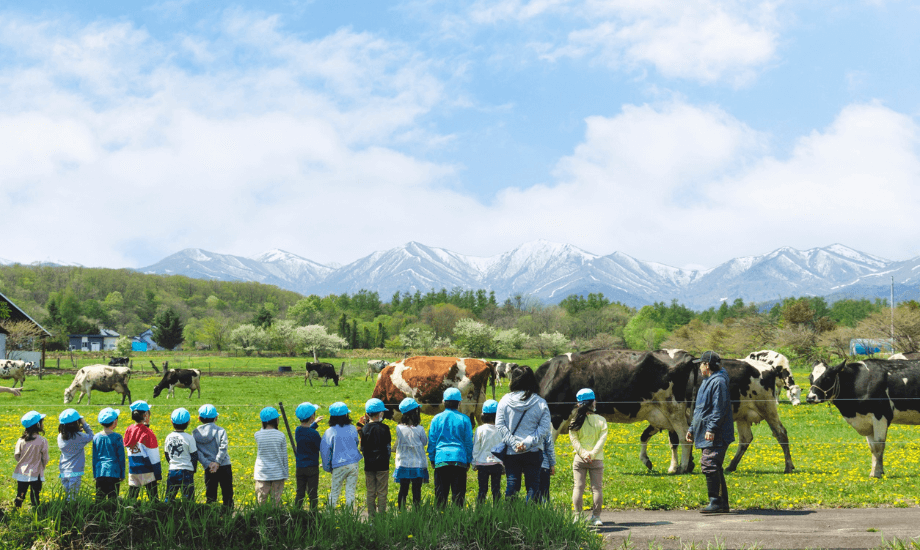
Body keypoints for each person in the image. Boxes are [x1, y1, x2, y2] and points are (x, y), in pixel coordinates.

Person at [686, 351, 734, 514]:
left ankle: (716, 501)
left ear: (707, 364)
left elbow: (719, 408)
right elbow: (700, 409)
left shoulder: (718, 382)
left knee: (710, 464)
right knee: (714, 466)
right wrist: (692, 428)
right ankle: (721, 503)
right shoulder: (708, 381)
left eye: (701, 363)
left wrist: (712, 428)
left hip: (717, 432)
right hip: (706, 430)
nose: (699, 367)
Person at [495, 366, 551, 501]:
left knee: (512, 485)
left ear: (514, 380)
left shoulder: (504, 401)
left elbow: (500, 425)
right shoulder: (540, 402)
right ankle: (529, 518)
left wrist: (514, 443)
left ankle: (510, 516)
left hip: (511, 452)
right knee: (533, 486)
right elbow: (544, 428)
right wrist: (526, 443)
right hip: (533, 451)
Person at [427, 387, 473, 507]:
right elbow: (468, 442)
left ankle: (441, 520)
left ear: (443, 402)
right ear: (459, 403)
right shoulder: (465, 419)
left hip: (441, 459)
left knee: (440, 495)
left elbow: (432, 441)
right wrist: (468, 460)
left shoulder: (436, 419)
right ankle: (457, 522)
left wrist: (432, 459)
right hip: (459, 459)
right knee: (458, 496)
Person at [569, 388, 608, 526]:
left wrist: (583, 453)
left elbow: (574, 440)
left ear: (579, 403)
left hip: (580, 459)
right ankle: (596, 517)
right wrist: (592, 454)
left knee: (578, 487)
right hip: (596, 459)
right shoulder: (601, 420)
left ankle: (577, 516)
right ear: (593, 402)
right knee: (596, 488)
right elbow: (601, 441)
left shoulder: (575, 421)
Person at [320, 402, 362, 509]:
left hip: (338, 464)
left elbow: (325, 451)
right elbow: (356, 442)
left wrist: (327, 467)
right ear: (346, 415)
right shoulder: (352, 428)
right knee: (350, 491)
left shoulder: (330, 432)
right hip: (353, 463)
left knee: (334, 491)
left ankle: (330, 515)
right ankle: (350, 516)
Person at [193, 404, 233, 508]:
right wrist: (217, 462)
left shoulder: (195, 433)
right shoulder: (221, 431)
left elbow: (196, 451)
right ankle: (228, 515)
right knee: (227, 493)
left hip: (209, 467)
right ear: (216, 418)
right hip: (224, 465)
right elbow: (223, 447)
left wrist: (208, 463)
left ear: (199, 418)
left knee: (210, 493)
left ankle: (211, 516)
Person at [392, 397, 428, 509]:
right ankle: (417, 511)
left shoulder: (399, 428)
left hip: (403, 463)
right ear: (415, 413)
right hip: (417, 464)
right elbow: (425, 442)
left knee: (403, 489)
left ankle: (401, 511)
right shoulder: (420, 429)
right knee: (416, 490)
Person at [360, 398, 391, 518]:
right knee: (382, 491)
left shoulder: (364, 429)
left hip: (369, 465)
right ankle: (382, 515)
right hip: (383, 464)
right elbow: (388, 447)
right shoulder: (385, 428)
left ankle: (371, 517)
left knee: (371, 491)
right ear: (381, 413)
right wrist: (387, 458)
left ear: (367, 414)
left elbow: (362, 448)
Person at [124, 400, 161, 501]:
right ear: (145, 415)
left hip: (133, 468)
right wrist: (158, 473)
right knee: (153, 499)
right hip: (146, 469)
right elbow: (154, 456)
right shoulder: (148, 433)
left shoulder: (129, 429)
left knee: (131, 498)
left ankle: (127, 514)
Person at [254, 406, 289, 506]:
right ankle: (275, 519)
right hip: (278, 473)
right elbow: (284, 456)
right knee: (276, 501)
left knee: (261, 500)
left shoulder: (257, 435)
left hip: (262, 473)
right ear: (276, 420)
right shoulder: (281, 435)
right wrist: (285, 472)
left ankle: (261, 518)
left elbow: (262, 431)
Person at [13, 411, 49, 508]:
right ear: (38, 425)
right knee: (35, 493)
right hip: (36, 473)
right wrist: (42, 465)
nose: (43, 424)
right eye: (42, 422)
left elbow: (16, 455)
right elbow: (45, 458)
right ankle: (35, 509)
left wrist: (23, 462)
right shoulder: (42, 440)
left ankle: (17, 508)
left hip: (22, 472)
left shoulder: (20, 440)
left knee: (21, 492)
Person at [57, 408, 94, 500]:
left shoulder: (60, 436)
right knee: (73, 496)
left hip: (63, 469)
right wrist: (84, 424)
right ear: (76, 423)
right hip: (75, 470)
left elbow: (72, 438)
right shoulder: (80, 436)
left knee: (67, 493)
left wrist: (77, 430)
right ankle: (71, 512)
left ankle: (65, 509)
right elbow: (91, 436)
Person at [471, 399, 504, 503]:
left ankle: (480, 510)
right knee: (496, 490)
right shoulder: (502, 429)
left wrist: (474, 462)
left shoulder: (480, 429)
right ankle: (497, 510)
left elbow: (476, 447)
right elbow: (504, 447)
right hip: (497, 463)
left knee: (482, 490)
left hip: (482, 463)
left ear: (483, 415)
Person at [163, 408, 198, 503]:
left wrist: (172, 463)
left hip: (173, 470)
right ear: (188, 422)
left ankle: (167, 513)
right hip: (187, 471)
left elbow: (166, 454)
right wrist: (193, 469)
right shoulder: (189, 438)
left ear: (171, 422)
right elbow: (194, 456)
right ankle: (188, 515)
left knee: (169, 497)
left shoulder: (168, 437)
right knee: (188, 498)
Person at [293, 402, 322, 510]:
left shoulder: (298, 430)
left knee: (300, 492)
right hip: (312, 467)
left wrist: (314, 423)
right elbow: (320, 446)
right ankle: (313, 515)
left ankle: (296, 513)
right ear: (312, 416)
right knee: (312, 493)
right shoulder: (315, 434)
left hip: (300, 467)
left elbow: (306, 432)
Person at [92, 407, 125, 500]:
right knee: (113, 498)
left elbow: (94, 457)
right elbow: (121, 457)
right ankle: (113, 514)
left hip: (100, 471)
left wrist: (95, 473)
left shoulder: (96, 437)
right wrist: (122, 474)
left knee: (99, 499)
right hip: (114, 472)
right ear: (115, 422)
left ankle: (97, 514)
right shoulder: (117, 437)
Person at [535, 429, 556, 504]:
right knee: (544, 491)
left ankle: (533, 509)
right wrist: (552, 464)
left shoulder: (529, 429)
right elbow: (550, 449)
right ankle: (545, 510)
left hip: (531, 465)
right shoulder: (546, 431)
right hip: (544, 465)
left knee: (533, 490)